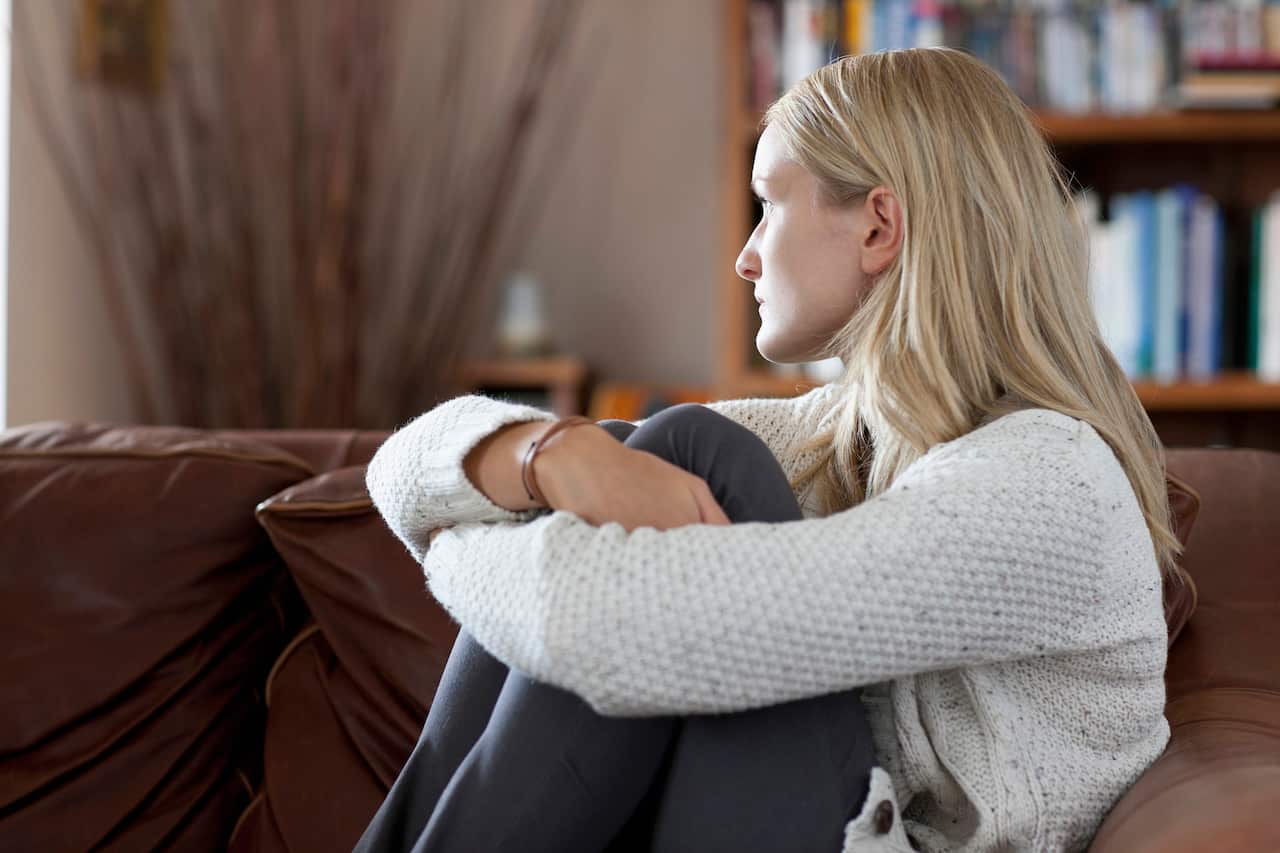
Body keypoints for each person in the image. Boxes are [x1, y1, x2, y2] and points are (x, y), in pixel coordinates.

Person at [356, 46, 1188, 853]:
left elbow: (599, 632)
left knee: (690, 447)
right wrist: (549, 454)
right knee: (632, 451)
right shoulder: (843, 435)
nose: (745, 257)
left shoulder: (1051, 482)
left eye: (769, 204)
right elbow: (397, 474)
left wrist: (457, 543)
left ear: (878, 227)